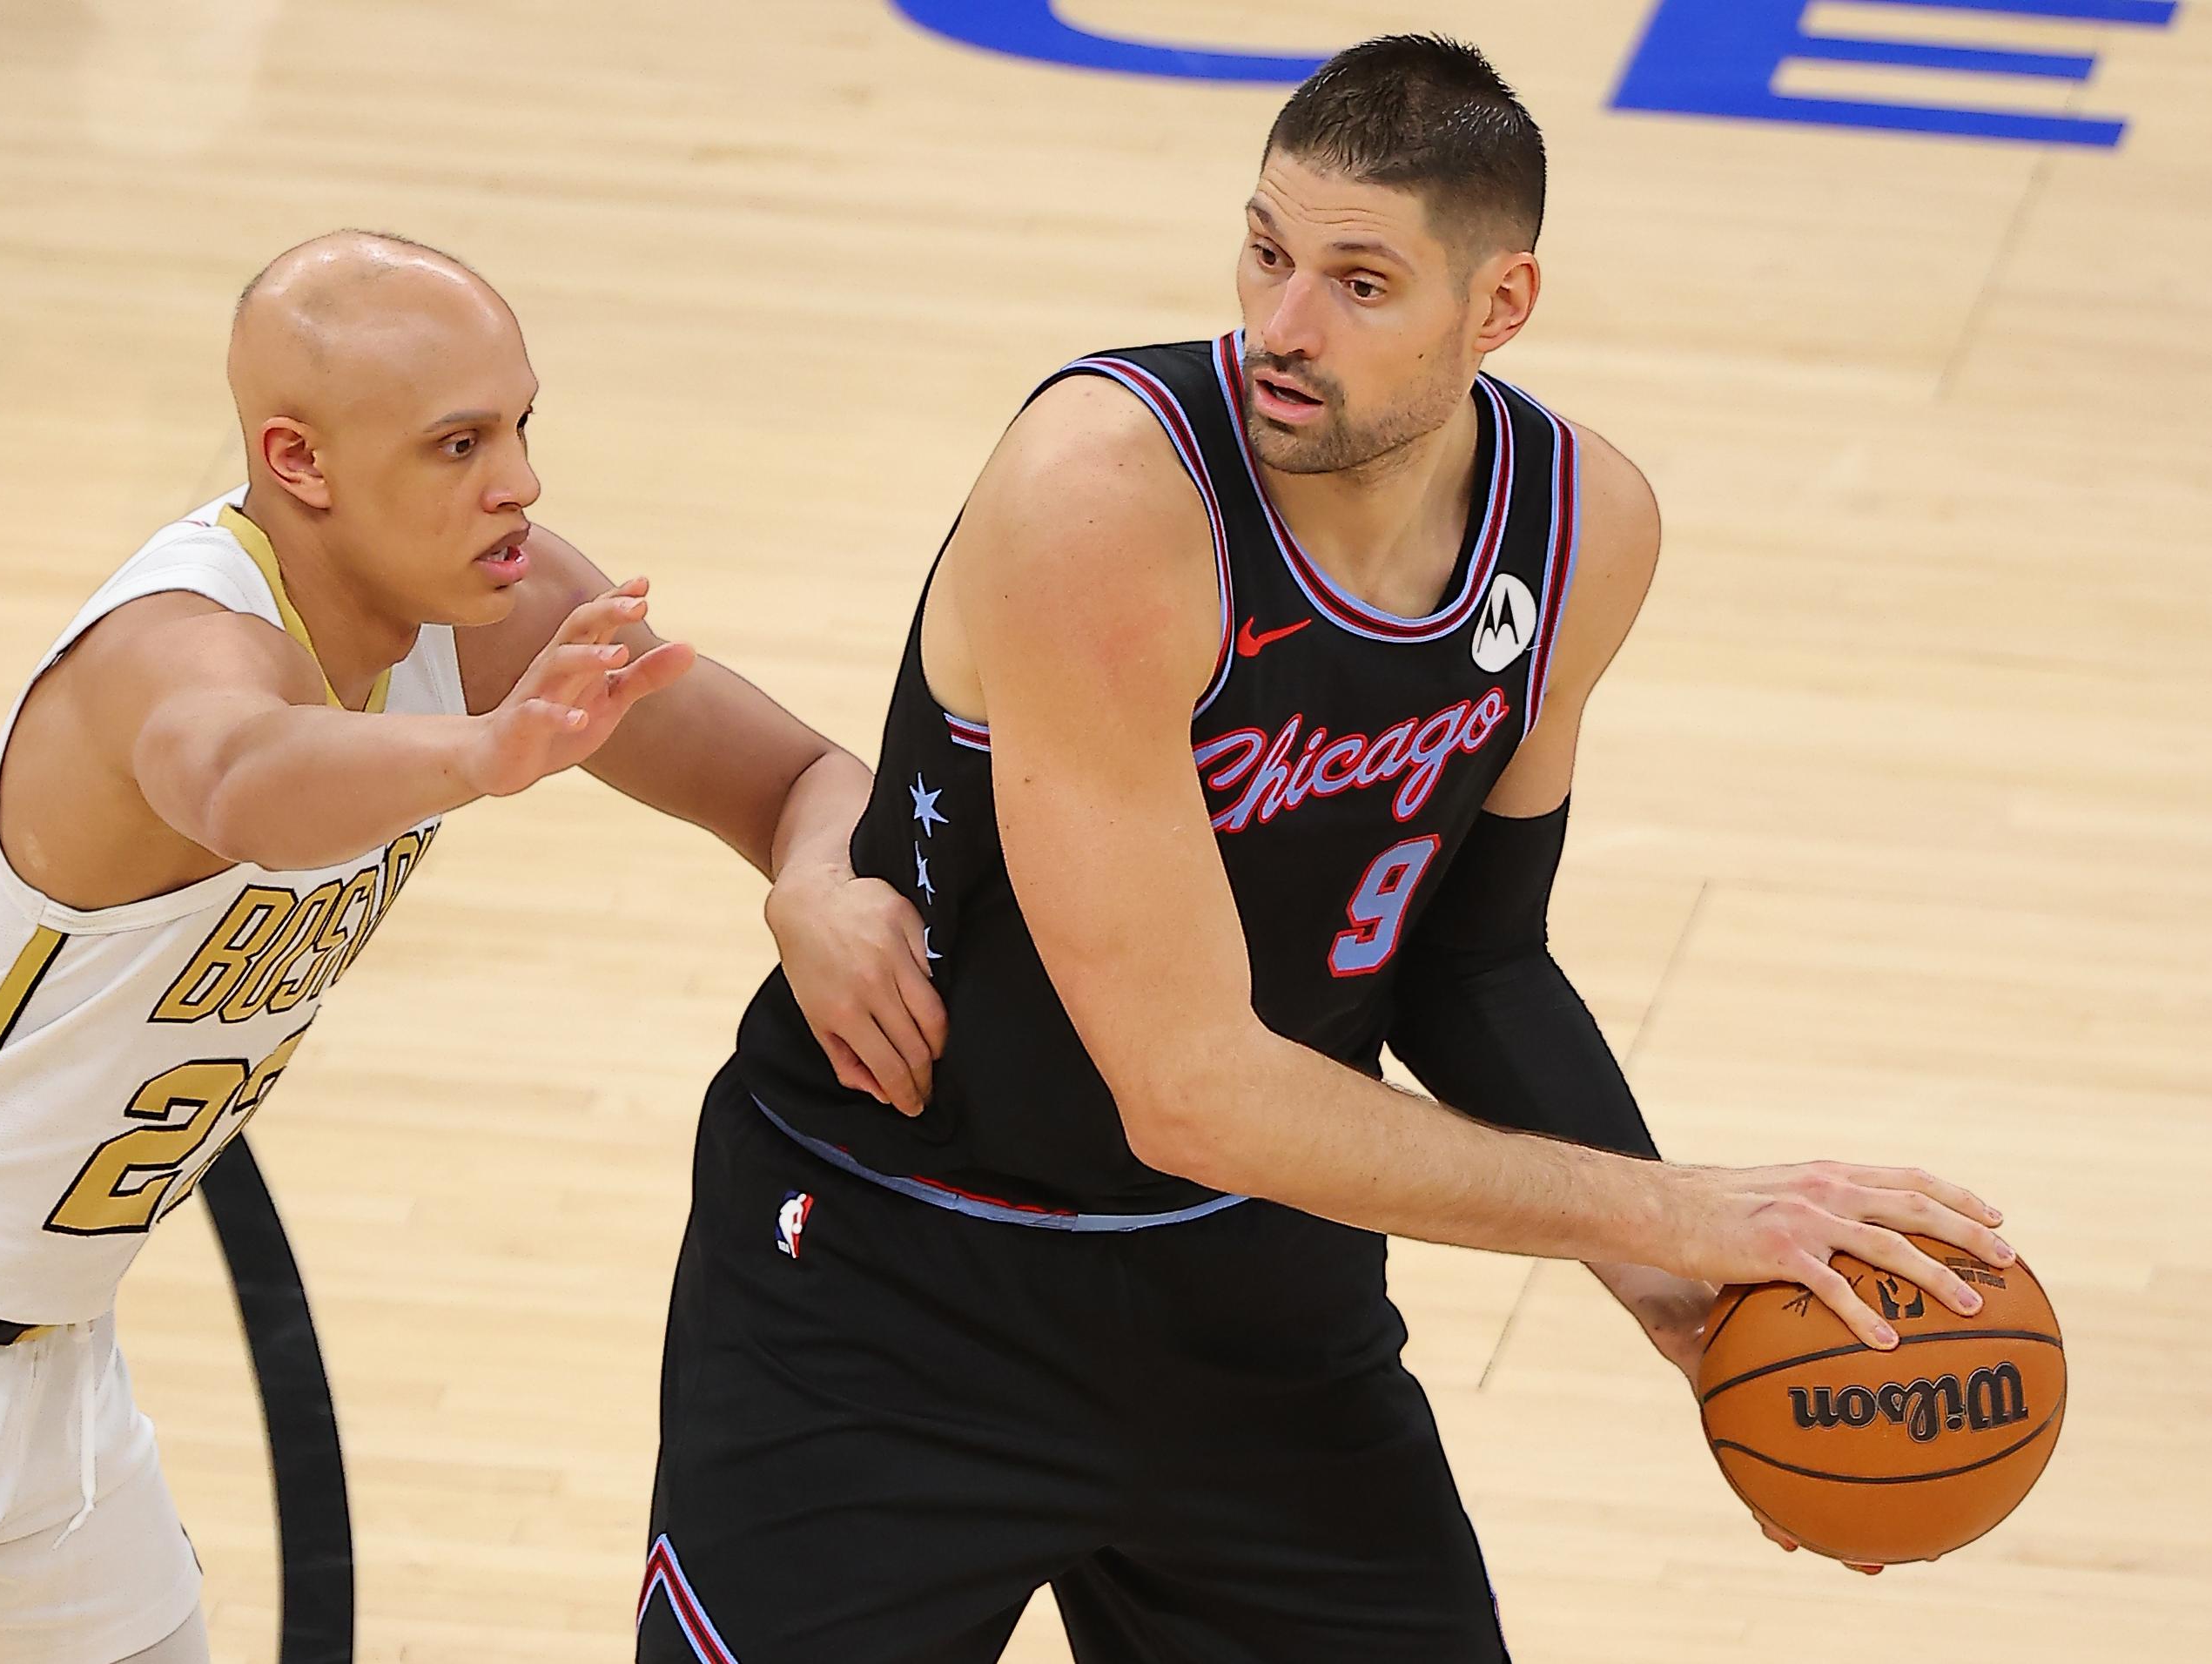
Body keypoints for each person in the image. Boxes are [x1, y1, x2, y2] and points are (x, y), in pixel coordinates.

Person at [637, 37, 2016, 1662]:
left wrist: (1674, 1292)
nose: (1281, 327)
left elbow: (1472, 958)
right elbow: (1192, 1087)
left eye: (1362, 284)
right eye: (1268, 253)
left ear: (1499, 306)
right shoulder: (1104, 493)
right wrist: (1670, 1209)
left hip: (1254, 1296)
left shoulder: (1582, 531)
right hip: (898, 1288)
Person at [0, 230, 943, 1664]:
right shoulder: (177, 645)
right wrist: (485, 755)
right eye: (456, 443)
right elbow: (238, 778)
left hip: (51, 1356)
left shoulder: (495, 604)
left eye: (520, 425)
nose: (522, 482)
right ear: (298, 461)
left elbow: (807, 777)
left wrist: (808, 884)